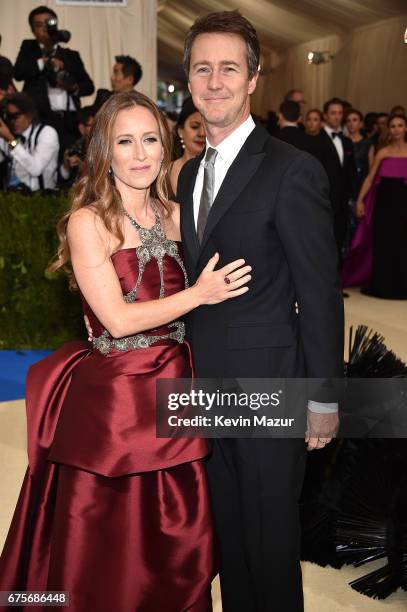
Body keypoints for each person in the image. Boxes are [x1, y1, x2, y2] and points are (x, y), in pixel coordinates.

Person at [0, 90, 253, 610]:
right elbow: (115, 320)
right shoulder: (89, 221)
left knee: (178, 538)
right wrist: (197, 294)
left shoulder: (181, 214)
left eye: (149, 141)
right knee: (107, 546)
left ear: (166, 147)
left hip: (180, 390)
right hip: (115, 407)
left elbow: (231, 277)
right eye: (125, 142)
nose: (140, 155)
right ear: (105, 152)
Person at [178, 10, 343, 612]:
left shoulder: (292, 169)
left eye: (228, 69)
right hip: (208, 390)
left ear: (253, 80)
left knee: (271, 548)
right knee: (232, 545)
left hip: (273, 389)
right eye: (203, 68)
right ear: (189, 79)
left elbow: (321, 290)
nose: (214, 81)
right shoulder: (191, 172)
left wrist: (324, 397)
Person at [342, 114, 407, 299]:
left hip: (404, 205)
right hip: (384, 205)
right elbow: (370, 178)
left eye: (400, 125)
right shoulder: (383, 152)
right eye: (393, 126)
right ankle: (383, 285)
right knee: (383, 243)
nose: (396, 129)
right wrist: (360, 200)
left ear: (405, 128)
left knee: (402, 244)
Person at [13, 5, 94, 150]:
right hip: (39, 119)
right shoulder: (29, 48)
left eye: (48, 23)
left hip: (68, 120)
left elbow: (88, 86)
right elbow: (18, 73)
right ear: (32, 30)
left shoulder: (71, 55)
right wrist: (43, 62)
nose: (44, 28)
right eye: (39, 25)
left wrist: (72, 87)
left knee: (70, 161)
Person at [308, 97, 357, 263]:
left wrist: (353, 197)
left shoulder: (346, 141)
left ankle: (336, 284)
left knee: (338, 241)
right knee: (322, 244)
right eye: (333, 113)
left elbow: (350, 173)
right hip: (323, 201)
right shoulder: (315, 141)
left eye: (340, 113)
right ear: (325, 115)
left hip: (342, 202)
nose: (337, 116)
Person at [0, 92, 59, 192]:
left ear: (29, 114)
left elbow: (36, 169)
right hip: (13, 198)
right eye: (9, 117)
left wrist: (10, 140)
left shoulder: (47, 133)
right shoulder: (10, 135)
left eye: (16, 116)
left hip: (41, 199)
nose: (12, 121)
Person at [169, 96, 205, 194]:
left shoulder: (220, 171)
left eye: (207, 127)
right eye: (195, 126)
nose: (202, 133)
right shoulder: (163, 173)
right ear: (181, 131)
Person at [58, 105, 95, 187]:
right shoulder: (75, 146)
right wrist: (66, 165)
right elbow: (63, 178)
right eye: (92, 125)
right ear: (82, 128)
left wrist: (84, 167)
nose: (97, 129)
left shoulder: (105, 147)